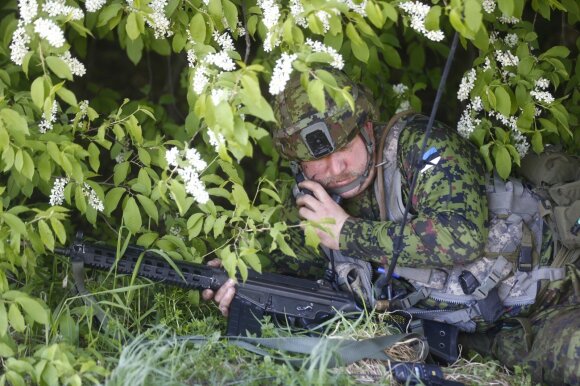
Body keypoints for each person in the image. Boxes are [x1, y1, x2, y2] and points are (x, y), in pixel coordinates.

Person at [202, 70, 579, 385]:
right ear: (299, 166)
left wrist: (349, 232)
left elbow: (461, 236)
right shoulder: (316, 200)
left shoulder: (423, 149)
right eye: (318, 160)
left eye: (344, 148)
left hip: (554, 297)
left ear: (367, 127)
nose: (336, 170)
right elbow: (297, 268)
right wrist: (241, 283)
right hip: (490, 337)